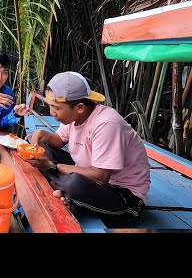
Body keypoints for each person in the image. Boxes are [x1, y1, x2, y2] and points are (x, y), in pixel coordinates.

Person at [23, 71, 151, 224]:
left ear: (80, 107)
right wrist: (45, 135)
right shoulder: (74, 116)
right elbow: (58, 140)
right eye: (50, 106)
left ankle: (68, 193)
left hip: (123, 194)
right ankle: (68, 195)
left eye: (56, 108)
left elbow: (100, 178)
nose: (52, 113)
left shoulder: (106, 124)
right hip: (89, 173)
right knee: (44, 147)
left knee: (74, 183)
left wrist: (52, 166)